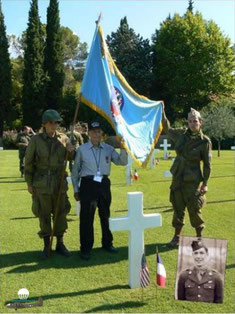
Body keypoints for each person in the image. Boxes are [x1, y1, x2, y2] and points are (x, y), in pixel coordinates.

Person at [71, 121, 128, 260]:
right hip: (88, 184)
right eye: (94, 131)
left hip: (103, 183)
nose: (96, 134)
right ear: (89, 133)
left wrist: (123, 148)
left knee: (105, 215)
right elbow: (75, 171)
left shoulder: (108, 148)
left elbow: (122, 161)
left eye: (99, 132)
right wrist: (76, 189)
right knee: (86, 217)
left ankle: (107, 243)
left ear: (102, 134)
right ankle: (85, 248)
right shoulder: (82, 150)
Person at [24, 109, 74, 258]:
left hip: (59, 183)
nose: (54, 125)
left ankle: (60, 243)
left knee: (60, 213)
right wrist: (29, 183)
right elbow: (29, 163)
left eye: (56, 122)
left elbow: (71, 158)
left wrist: (71, 151)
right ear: (44, 124)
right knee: (44, 214)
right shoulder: (36, 140)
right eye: (51, 122)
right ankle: (47, 245)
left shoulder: (64, 138)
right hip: (42, 183)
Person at [162, 107, 212, 246]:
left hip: (193, 180)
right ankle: (177, 237)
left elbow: (207, 165)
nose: (192, 123)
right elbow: (167, 129)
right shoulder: (180, 135)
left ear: (200, 122)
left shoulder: (204, 141)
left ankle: (199, 239)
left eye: (195, 121)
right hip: (178, 178)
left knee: (195, 209)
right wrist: (162, 112)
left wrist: (205, 183)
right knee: (177, 208)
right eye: (190, 121)